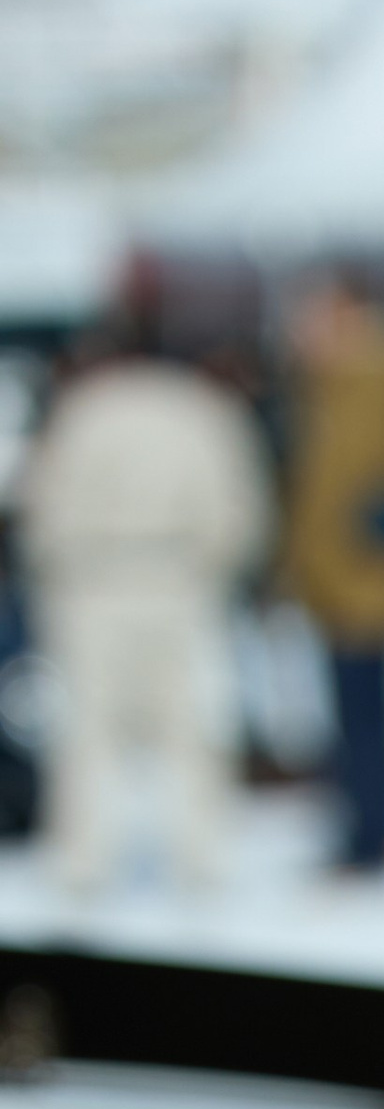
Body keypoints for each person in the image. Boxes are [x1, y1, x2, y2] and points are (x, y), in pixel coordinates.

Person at [19, 332, 270, 894]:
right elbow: (237, 507)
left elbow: (45, 507)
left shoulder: (82, 410)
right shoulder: (204, 410)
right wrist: (215, 573)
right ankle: (201, 859)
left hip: (95, 585)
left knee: (87, 732)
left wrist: (55, 578)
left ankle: (83, 862)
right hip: (179, 583)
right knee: (193, 729)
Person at [279, 277, 384, 873]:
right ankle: (379, 823)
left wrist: (311, 565)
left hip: (357, 580)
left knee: (364, 716)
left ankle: (372, 833)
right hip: (357, 577)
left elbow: (338, 490)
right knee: (369, 713)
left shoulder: (362, 383)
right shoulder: (350, 382)